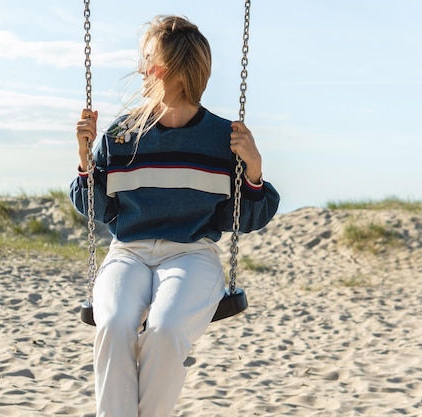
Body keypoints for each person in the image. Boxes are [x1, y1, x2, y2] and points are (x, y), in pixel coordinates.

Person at [70, 15, 280, 417]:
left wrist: (253, 167)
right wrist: (84, 162)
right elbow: (101, 209)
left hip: (191, 255)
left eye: (146, 58)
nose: (139, 68)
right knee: (112, 325)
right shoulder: (121, 135)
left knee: (165, 332)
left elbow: (247, 217)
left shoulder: (224, 139)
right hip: (128, 252)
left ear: (167, 69)